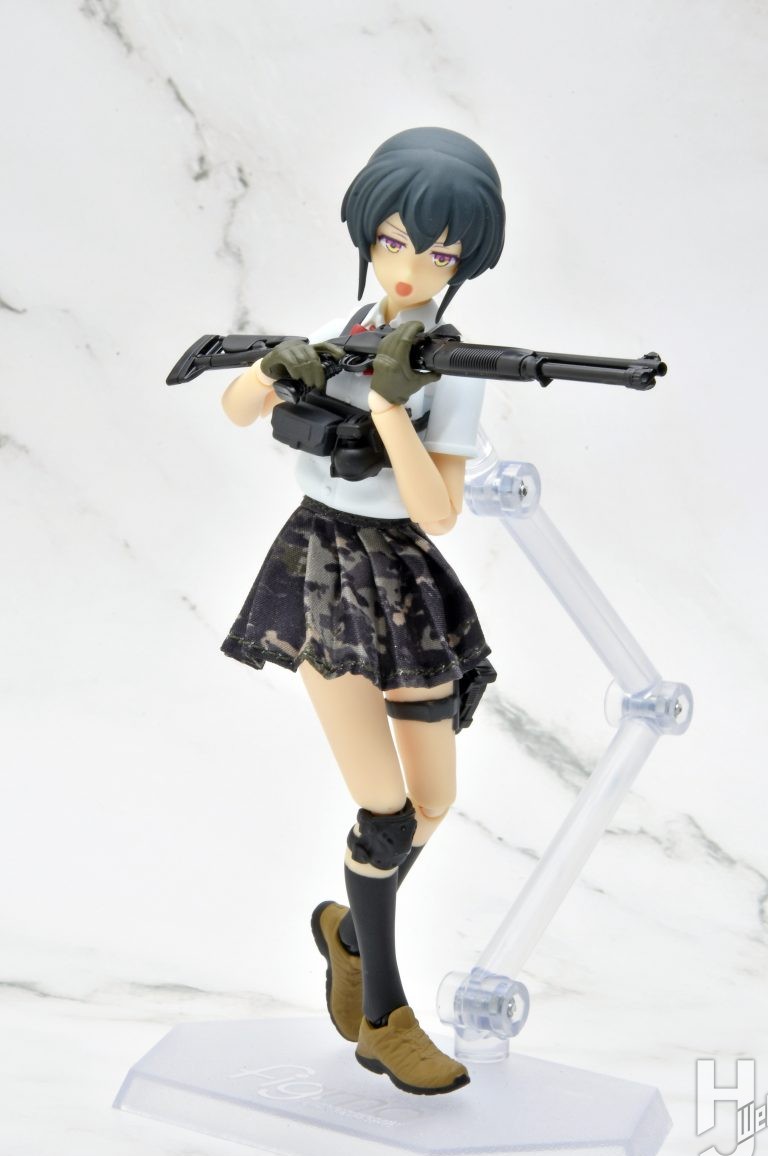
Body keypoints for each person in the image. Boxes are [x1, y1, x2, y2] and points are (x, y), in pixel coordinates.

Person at [218, 128, 505, 1095]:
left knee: (433, 801)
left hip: (404, 574)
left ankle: (348, 931)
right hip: (321, 566)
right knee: (383, 810)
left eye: (441, 252)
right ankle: (385, 1016)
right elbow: (236, 409)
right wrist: (279, 369)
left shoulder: (454, 364)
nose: (413, 267)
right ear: (366, 240)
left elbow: (440, 510)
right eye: (393, 241)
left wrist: (391, 407)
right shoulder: (341, 325)